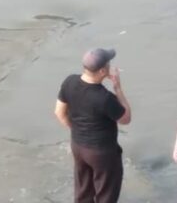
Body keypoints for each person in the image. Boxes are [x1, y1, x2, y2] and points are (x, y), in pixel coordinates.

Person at [54, 48, 132, 203]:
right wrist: (118, 88)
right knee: (106, 194)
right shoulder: (105, 98)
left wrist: (78, 130)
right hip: (102, 153)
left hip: (78, 146)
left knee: (83, 191)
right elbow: (126, 118)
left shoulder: (69, 82)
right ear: (103, 70)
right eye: (109, 64)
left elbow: (59, 112)